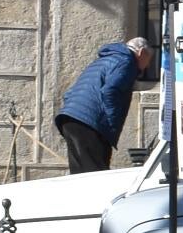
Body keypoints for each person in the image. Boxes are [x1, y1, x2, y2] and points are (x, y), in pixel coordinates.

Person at [53, 35, 150, 174]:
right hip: (89, 122)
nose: (148, 65)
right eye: (149, 60)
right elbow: (110, 90)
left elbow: (69, 93)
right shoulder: (127, 61)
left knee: (80, 174)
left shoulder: (105, 60)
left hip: (69, 118)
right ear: (141, 52)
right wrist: (111, 120)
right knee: (96, 174)